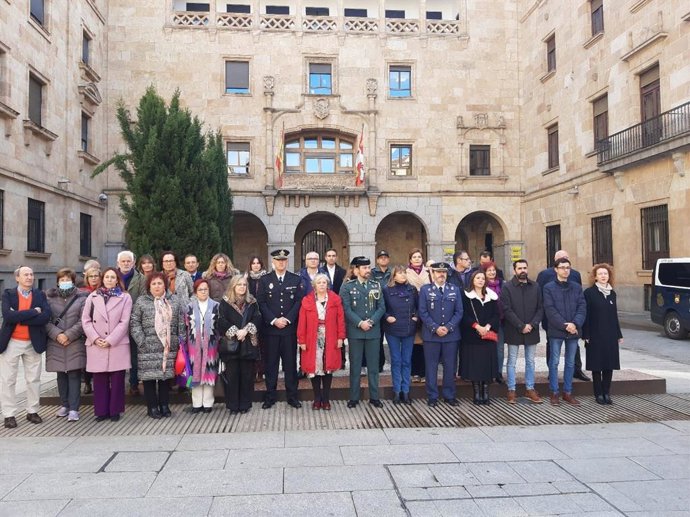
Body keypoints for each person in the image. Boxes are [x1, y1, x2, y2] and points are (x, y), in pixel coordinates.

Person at [0, 266, 51, 429]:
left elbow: (45, 317)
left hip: (32, 342)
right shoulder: (8, 294)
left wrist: (20, 317)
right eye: (25, 275)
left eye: (31, 274)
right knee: (8, 380)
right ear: (17, 278)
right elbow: (8, 316)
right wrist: (33, 312)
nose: (29, 277)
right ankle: (9, 414)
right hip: (11, 342)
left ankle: (32, 411)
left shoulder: (40, 294)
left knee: (33, 379)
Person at [130, 271, 185, 418]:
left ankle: (164, 405)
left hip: (168, 346)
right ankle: (152, 407)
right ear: (149, 286)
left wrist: (180, 342)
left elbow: (181, 322)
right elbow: (134, 323)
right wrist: (141, 341)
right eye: (153, 283)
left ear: (165, 285)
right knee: (149, 379)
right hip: (147, 347)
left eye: (159, 283)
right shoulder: (142, 301)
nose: (157, 286)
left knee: (164, 378)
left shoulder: (174, 300)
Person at [82, 268, 133, 422]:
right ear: (102, 279)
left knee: (117, 379)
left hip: (116, 343)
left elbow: (125, 322)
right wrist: (95, 338)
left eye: (113, 277)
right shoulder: (93, 296)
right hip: (96, 343)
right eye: (107, 277)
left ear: (117, 280)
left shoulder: (125, 298)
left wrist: (110, 339)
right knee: (99, 379)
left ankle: (115, 410)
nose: (110, 280)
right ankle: (101, 410)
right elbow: (85, 320)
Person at [257, 249, 305, 409]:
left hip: (289, 330)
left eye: (284, 260)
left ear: (287, 262)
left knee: (290, 365)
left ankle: (292, 397)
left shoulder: (295, 279)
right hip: (271, 331)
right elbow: (261, 303)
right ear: (273, 262)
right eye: (278, 260)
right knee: (271, 365)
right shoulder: (264, 280)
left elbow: (299, 301)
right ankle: (270, 397)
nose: (281, 263)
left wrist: (288, 319)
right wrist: (273, 320)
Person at [340, 256, 386, 408]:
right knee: (355, 366)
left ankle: (374, 397)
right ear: (356, 270)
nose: (368, 270)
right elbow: (346, 309)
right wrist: (360, 323)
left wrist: (371, 322)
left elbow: (381, 307)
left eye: (368, 267)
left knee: (373, 366)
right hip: (356, 332)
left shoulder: (376, 285)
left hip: (373, 332)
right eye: (364, 268)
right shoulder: (347, 287)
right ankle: (354, 397)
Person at [537, 249, 590, 382]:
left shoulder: (575, 275)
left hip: (573, 320)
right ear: (555, 264)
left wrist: (575, 323)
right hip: (553, 319)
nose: (565, 267)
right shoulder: (544, 275)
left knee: (574, 346)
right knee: (552, 345)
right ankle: (551, 372)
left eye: (567, 258)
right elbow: (541, 297)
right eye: (561, 259)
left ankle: (577, 370)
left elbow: (580, 300)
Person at [297, 274, 345, 410]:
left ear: (327, 284)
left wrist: (341, 337)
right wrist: (301, 340)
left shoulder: (335, 300)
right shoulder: (307, 301)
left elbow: (340, 320)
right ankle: (317, 398)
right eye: (319, 282)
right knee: (315, 368)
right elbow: (302, 322)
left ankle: (326, 399)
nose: (322, 285)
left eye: (324, 282)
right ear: (314, 285)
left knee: (327, 368)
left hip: (330, 337)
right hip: (312, 338)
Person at [543, 257, 587, 406]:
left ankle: (567, 392)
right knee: (554, 362)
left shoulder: (576, 287)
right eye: (562, 267)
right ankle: (554, 392)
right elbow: (550, 310)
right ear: (556, 269)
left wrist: (575, 324)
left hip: (573, 331)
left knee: (570, 363)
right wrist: (564, 325)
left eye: (568, 267)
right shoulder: (548, 287)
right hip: (557, 331)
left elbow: (582, 307)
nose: (565, 270)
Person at [45, 268, 88, 422]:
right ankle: (64, 404)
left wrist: (68, 335)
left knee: (74, 374)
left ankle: (74, 409)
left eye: (67, 279)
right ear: (57, 282)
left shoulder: (82, 297)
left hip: (74, 341)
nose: (65, 282)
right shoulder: (49, 298)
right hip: (55, 341)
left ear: (73, 280)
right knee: (60, 374)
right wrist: (57, 334)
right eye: (62, 279)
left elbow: (83, 320)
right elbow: (46, 320)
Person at [419, 262, 463, 407]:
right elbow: (422, 312)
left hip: (451, 336)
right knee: (431, 367)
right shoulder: (425, 290)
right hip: (431, 335)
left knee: (450, 367)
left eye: (444, 272)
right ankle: (432, 396)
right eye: (438, 272)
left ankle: (449, 395)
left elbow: (459, 312)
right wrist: (435, 327)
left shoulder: (454, 289)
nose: (441, 275)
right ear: (432, 273)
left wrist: (449, 327)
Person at [500, 260, 544, 404]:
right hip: (514, 329)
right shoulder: (507, 287)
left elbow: (540, 308)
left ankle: (530, 388)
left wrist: (532, 324)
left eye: (525, 267)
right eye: (519, 268)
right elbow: (506, 309)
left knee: (530, 361)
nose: (523, 270)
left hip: (532, 329)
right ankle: (511, 390)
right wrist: (520, 325)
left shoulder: (535, 286)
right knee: (512, 361)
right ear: (514, 270)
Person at [217, 275, 261, 414]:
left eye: (244, 285)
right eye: (239, 284)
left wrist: (246, 330)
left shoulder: (252, 302)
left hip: (248, 343)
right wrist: (236, 331)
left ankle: (245, 405)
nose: (242, 287)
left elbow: (258, 318)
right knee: (232, 376)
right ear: (233, 286)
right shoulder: (225, 302)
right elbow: (221, 321)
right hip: (232, 345)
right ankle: (233, 405)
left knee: (247, 376)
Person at [583, 263, 623, 405]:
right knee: (597, 365)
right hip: (595, 334)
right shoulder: (589, 293)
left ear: (609, 276)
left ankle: (607, 393)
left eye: (605, 274)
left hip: (610, 335)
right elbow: (586, 315)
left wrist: (619, 334)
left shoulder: (612, 293)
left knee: (609, 364)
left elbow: (614, 315)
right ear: (595, 277)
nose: (603, 276)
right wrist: (586, 335)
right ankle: (598, 394)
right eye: (600, 274)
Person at [460, 270, 499, 405]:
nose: (481, 280)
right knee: (475, 365)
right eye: (478, 278)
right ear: (472, 280)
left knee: (486, 366)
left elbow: (496, 315)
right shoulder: (466, 296)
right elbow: (464, 315)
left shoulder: (491, 297)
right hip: (472, 336)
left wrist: (487, 327)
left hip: (487, 336)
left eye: (483, 278)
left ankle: (486, 393)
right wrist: (477, 326)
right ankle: (477, 393)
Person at [183, 279, 221, 413]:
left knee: (209, 372)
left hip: (211, 345)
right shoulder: (189, 307)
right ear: (195, 292)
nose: (203, 292)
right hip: (194, 346)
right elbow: (185, 326)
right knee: (195, 372)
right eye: (200, 289)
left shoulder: (217, 306)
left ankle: (208, 403)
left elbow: (219, 327)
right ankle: (196, 403)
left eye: (205, 289)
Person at [382, 266, 418, 404]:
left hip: (409, 328)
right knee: (396, 360)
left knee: (407, 360)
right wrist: (387, 317)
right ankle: (397, 391)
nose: (403, 275)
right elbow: (381, 307)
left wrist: (416, 317)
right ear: (394, 276)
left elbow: (419, 306)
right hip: (393, 329)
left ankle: (406, 391)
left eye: (405, 273)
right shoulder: (386, 289)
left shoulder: (412, 289)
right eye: (400, 273)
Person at [117, 250, 146, 397]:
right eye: (123, 261)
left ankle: (134, 383)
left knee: (134, 355)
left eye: (129, 261)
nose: (126, 263)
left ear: (133, 263)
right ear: (118, 263)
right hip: (116, 323)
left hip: (134, 320)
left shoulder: (141, 279)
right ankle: (118, 384)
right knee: (118, 354)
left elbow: (142, 299)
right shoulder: (112, 277)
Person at [406, 248, 430, 383]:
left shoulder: (429, 272)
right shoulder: (406, 273)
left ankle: (424, 372)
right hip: (413, 309)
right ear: (410, 259)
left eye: (419, 257)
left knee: (426, 342)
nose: (417, 259)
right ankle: (415, 372)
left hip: (427, 309)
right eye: (414, 257)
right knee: (415, 342)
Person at [80, 263, 101, 394]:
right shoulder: (82, 292)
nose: (93, 278)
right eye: (90, 276)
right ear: (86, 278)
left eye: (96, 276)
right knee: (87, 358)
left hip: (102, 328)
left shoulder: (105, 290)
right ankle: (87, 382)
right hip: (86, 329)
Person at [246, 255, 268, 382]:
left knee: (263, 345)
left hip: (264, 316)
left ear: (261, 265)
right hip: (250, 315)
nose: (255, 265)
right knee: (252, 344)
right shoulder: (246, 279)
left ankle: (261, 371)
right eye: (253, 263)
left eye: (258, 263)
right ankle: (252, 371)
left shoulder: (266, 279)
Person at [483, 262, 505, 384]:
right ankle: (487, 372)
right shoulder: (481, 284)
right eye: (489, 270)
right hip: (486, 322)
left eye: (493, 270)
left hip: (500, 321)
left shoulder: (502, 284)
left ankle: (498, 372)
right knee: (487, 348)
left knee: (499, 349)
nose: (492, 272)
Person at [371, 250, 392, 373]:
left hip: (390, 309)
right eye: (381, 258)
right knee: (377, 339)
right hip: (377, 309)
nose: (383, 259)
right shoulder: (373, 273)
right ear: (377, 260)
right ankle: (379, 364)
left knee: (392, 339)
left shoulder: (392, 272)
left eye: (385, 257)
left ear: (388, 260)